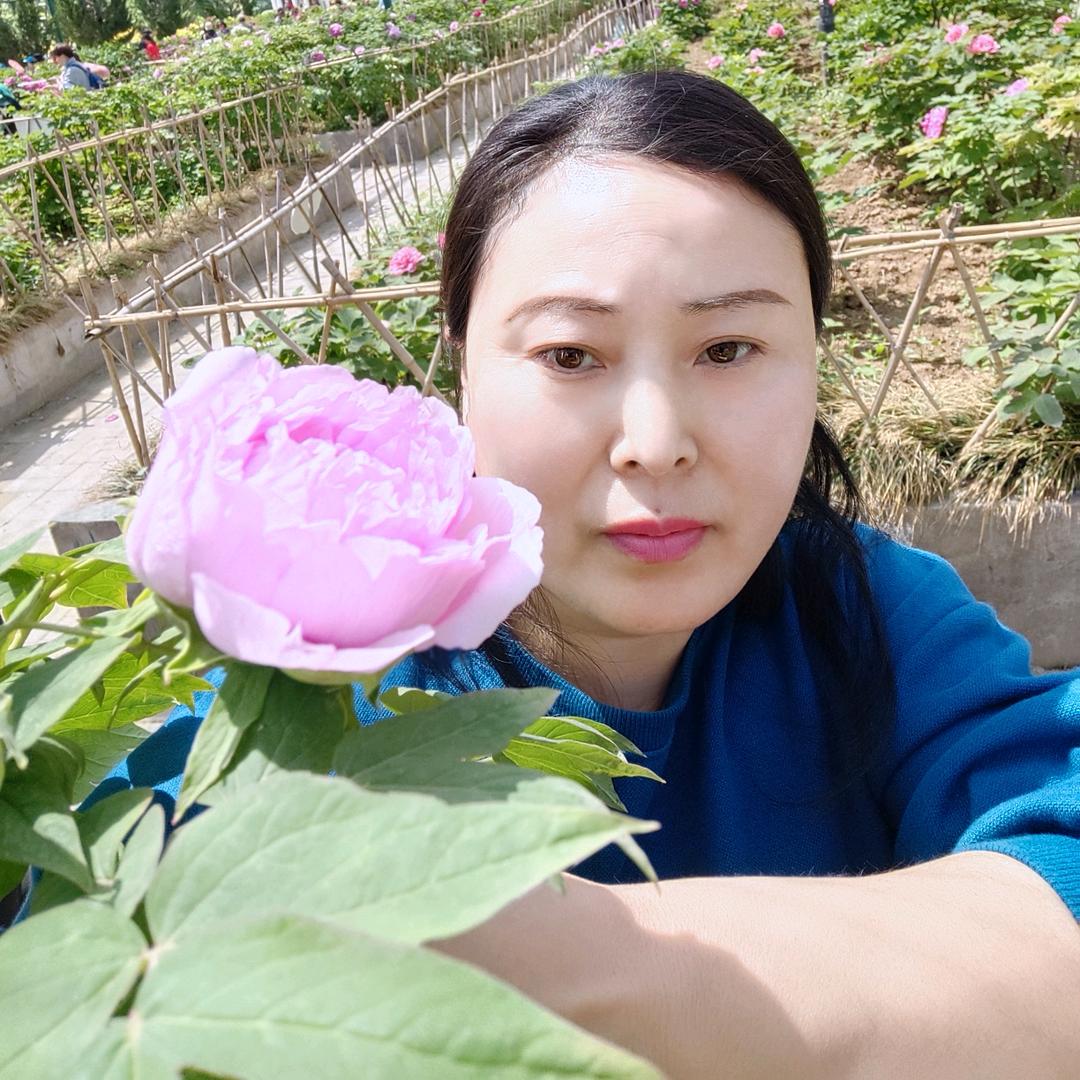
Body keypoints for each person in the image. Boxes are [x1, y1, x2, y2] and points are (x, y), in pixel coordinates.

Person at [66, 71, 1080, 1076]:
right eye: (571, 356)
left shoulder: (877, 614)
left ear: (816, 355)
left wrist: (583, 965)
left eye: (728, 348)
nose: (655, 443)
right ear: (460, 363)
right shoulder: (286, 696)